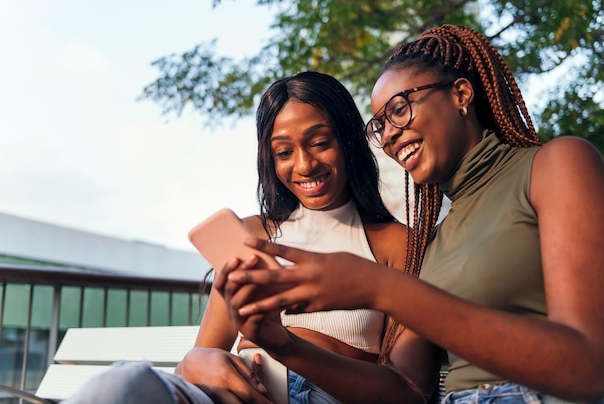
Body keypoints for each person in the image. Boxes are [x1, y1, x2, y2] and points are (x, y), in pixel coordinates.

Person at [220, 25, 604, 403]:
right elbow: (409, 383)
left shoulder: (556, 165)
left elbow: (587, 368)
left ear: (461, 94)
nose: (390, 134)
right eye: (379, 125)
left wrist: (378, 288)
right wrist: (282, 345)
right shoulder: (432, 242)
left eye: (399, 109)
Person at [62, 71, 436, 404]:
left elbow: (409, 392)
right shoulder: (253, 234)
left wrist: (285, 346)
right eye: (284, 152)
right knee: (125, 383)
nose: (304, 165)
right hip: (230, 391)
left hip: (320, 395)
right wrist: (197, 362)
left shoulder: (398, 246)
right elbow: (200, 355)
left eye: (320, 142)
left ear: (349, 141)